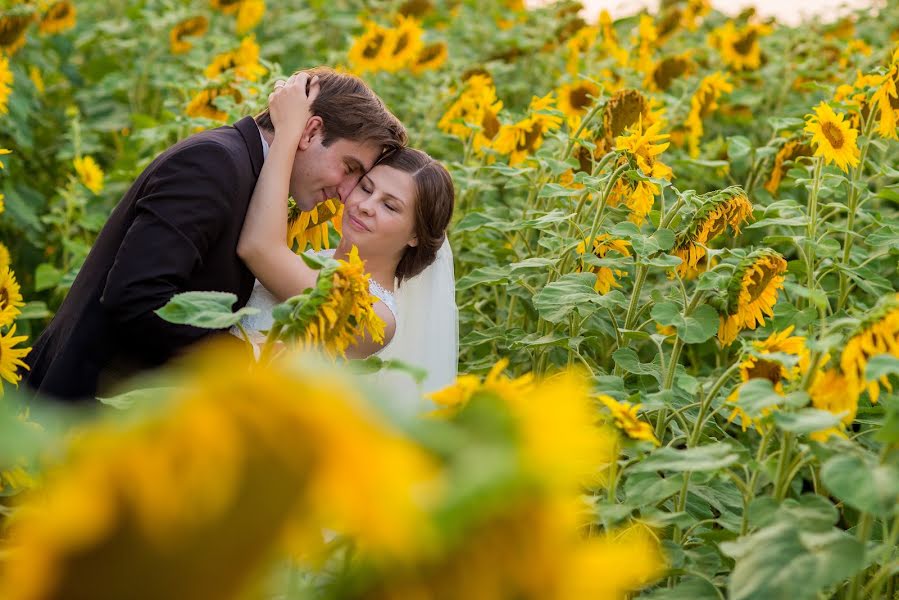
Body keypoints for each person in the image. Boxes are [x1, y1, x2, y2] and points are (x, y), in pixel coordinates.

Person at [25, 67, 406, 401]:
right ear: (310, 131)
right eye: (349, 167)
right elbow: (136, 298)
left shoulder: (248, 175)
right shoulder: (214, 164)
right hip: (83, 410)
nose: (345, 193)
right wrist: (249, 357)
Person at [235, 73, 458, 410]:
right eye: (366, 188)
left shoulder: (377, 317)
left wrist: (289, 131)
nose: (365, 206)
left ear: (415, 235)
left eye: (390, 206)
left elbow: (259, 249)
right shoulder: (312, 257)